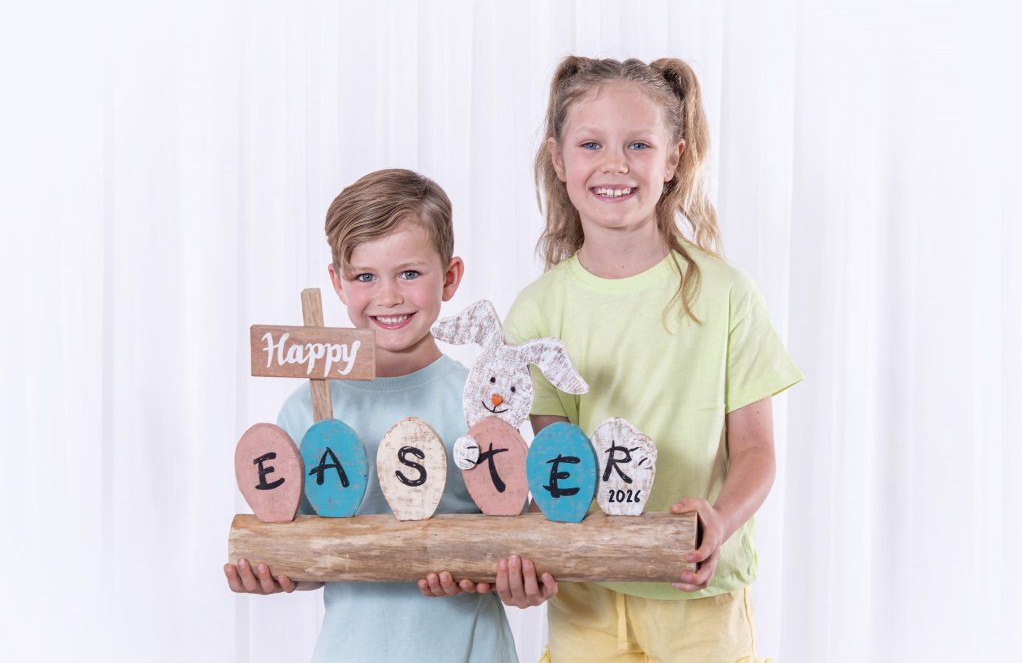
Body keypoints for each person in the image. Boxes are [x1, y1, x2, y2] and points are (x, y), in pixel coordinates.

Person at [503, 56, 803, 662]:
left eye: (638, 144)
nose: (614, 164)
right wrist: (526, 552)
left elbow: (756, 451)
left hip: (696, 591)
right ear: (558, 160)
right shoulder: (536, 311)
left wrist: (720, 520)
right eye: (591, 144)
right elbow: (556, 463)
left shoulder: (727, 295)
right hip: (587, 591)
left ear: (674, 160)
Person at [225, 168, 552, 662]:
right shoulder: (308, 408)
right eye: (365, 277)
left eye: (409, 273)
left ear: (450, 277)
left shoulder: (481, 402)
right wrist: (278, 571)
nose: (388, 296)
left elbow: (513, 541)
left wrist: (516, 580)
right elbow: (309, 554)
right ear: (337, 283)